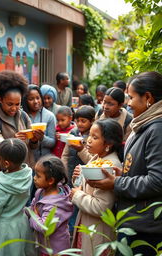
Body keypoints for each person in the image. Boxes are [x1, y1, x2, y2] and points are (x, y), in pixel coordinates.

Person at [87, 72, 162, 256]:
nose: (128, 103)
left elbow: (157, 181)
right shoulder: (144, 123)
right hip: (135, 221)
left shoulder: (157, 129)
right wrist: (122, 174)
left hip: (145, 227)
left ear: (148, 98)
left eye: (131, 97)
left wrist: (117, 183)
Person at [70, 119, 123, 256]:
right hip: (88, 224)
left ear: (108, 144)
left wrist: (76, 195)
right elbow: (88, 188)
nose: (88, 141)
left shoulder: (109, 167)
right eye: (89, 136)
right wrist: (79, 177)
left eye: (95, 137)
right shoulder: (97, 158)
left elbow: (100, 207)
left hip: (97, 229)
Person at [0, 138, 35, 256]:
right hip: (20, 223)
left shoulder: (2, 184)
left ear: (6, 163)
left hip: (3, 229)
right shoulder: (27, 175)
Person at [0, 70, 40, 168]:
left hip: (27, 168)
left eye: (17, 104)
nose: (14, 108)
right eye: (10, 104)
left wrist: (34, 140)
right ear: (0, 99)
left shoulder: (23, 116)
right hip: (8, 171)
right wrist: (13, 141)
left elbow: (33, 147)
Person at [28, 155, 73, 255]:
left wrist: (33, 216)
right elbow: (33, 205)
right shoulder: (40, 191)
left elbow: (45, 227)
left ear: (51, 180)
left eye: (38, 176)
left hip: (55, 250)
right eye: (35, 174)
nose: (34, 178)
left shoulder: (56, 205)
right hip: (44, 245)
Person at [62, 106, 95, 186]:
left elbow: (93, 161)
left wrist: (81, 149)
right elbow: (65, 155)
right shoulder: (73, 133)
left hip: (86, 177)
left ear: (92, 121)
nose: (79, 124)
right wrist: (64, 172)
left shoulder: (94, 137)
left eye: (83, 121)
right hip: (70, 172)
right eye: (77, 121)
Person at [22, 84, 56, 161]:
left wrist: (42, 138)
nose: (36, 102)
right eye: (31, 99)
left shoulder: (49, 116)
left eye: (38, 98)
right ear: (25, 100)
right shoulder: (21, 115)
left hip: (44, 161)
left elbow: (52, 143)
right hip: (26, 160)